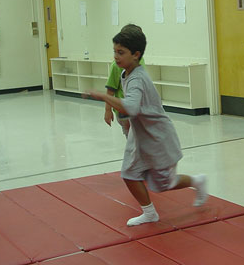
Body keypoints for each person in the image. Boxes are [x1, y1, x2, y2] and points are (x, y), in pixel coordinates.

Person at [89, 26, 208, 226]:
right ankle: (150, 213)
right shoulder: (125, 73)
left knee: (164, 184)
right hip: (140, 136)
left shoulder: (138, 78)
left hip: (158, 138)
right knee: (129, 174)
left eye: (121, 52)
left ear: (136, 55)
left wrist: (103, 97)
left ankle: (198, 181)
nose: (116, 57)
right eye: (115, 51)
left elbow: (131, 107)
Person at [104, 24, 144, 137]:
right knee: (133, 138)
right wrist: (108, 110)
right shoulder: (117, 65)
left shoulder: (140, 60)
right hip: (125, 111)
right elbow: (110, 90)